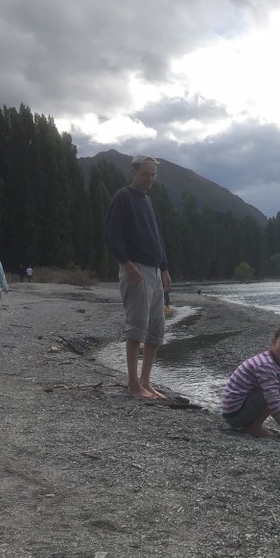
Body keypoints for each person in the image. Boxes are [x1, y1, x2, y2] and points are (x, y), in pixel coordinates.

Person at [103, 154, 172, 399]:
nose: (150, 179)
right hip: (136, 269)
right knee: (136, 326)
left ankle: (146, 381)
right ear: (134, 172)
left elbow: (157, 238)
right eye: (146, 174)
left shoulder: (148, 202)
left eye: (154, 175)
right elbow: (111, 235)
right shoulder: (123, 197)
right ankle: (133, 383)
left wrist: (164, 268)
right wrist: (126, 263)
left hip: (154, 270)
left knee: (156, 328)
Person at [221, 323, 280, 444]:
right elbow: (273, 402)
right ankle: (255, 427)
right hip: (236, 416)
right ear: (274, 341)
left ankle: (254, 425)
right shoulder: (265, 365)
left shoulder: (268, 360)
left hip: (233, 411)